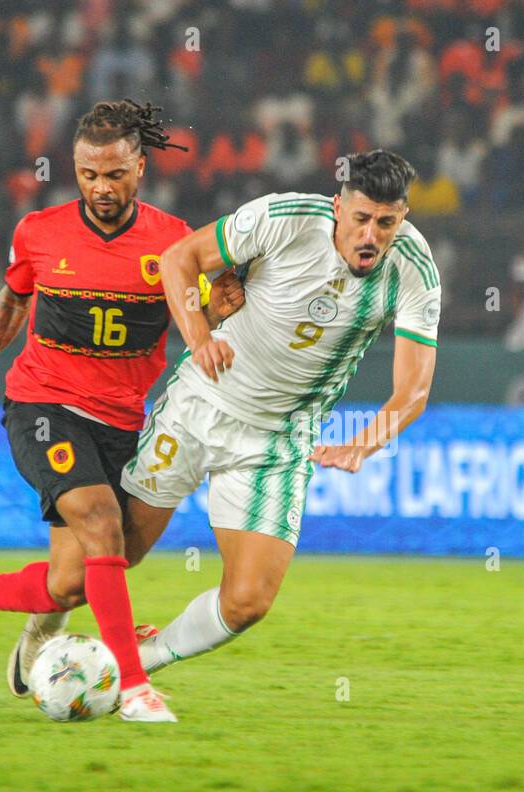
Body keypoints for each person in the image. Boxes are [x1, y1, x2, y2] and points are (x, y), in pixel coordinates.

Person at [0, 100, 243, 723]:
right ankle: (133, 688)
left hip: (123, 419)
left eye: (115, 175)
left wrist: (227, 308)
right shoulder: (40, 232)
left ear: (141, 167)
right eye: (88, 174)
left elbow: (205, 314)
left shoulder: (174, 242)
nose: (101, 188)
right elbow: (12, 305)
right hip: (42, 403)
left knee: (73, 582)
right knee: (101, 524)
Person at [115, 150, 441, 699]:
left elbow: (413, 391)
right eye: (361, 218)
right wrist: (199, 337)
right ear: (338, 207)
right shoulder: (282, 218)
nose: (371, 235)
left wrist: (363, 445)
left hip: (277, 438)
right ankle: (35, 632)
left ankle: (137, 663)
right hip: (200, 405)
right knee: (115, 554)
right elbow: (178, 258)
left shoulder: (413, 268)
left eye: (386, 222)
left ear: (402, 219)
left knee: (247, 602)